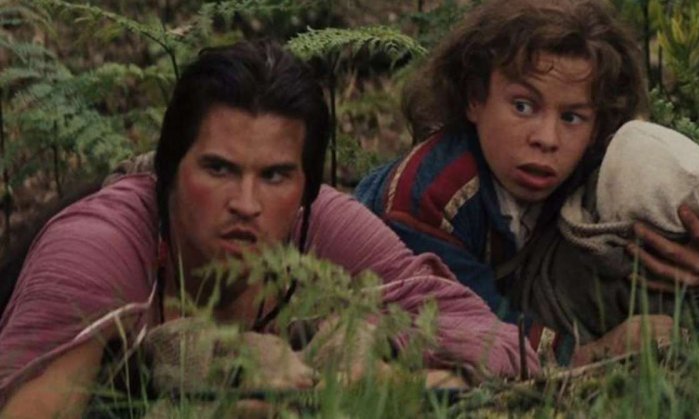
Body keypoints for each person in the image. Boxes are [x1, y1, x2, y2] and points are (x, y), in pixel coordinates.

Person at [0, 39, 537, 417]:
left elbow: (503, 349)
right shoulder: (101, 248)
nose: (246, 204)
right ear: (169, 168)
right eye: (218, 169)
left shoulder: (323, 226)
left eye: (276, 176)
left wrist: (378, 356)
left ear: (306, 187)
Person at [355, 0, 699, 364]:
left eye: (572, 117)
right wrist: (589, 354)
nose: (547, 139)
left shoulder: (587, 161)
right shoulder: (433, 194)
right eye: (523, 106)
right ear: (474, 99)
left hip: (522, 288)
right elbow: (466, 323)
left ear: (597, 124)